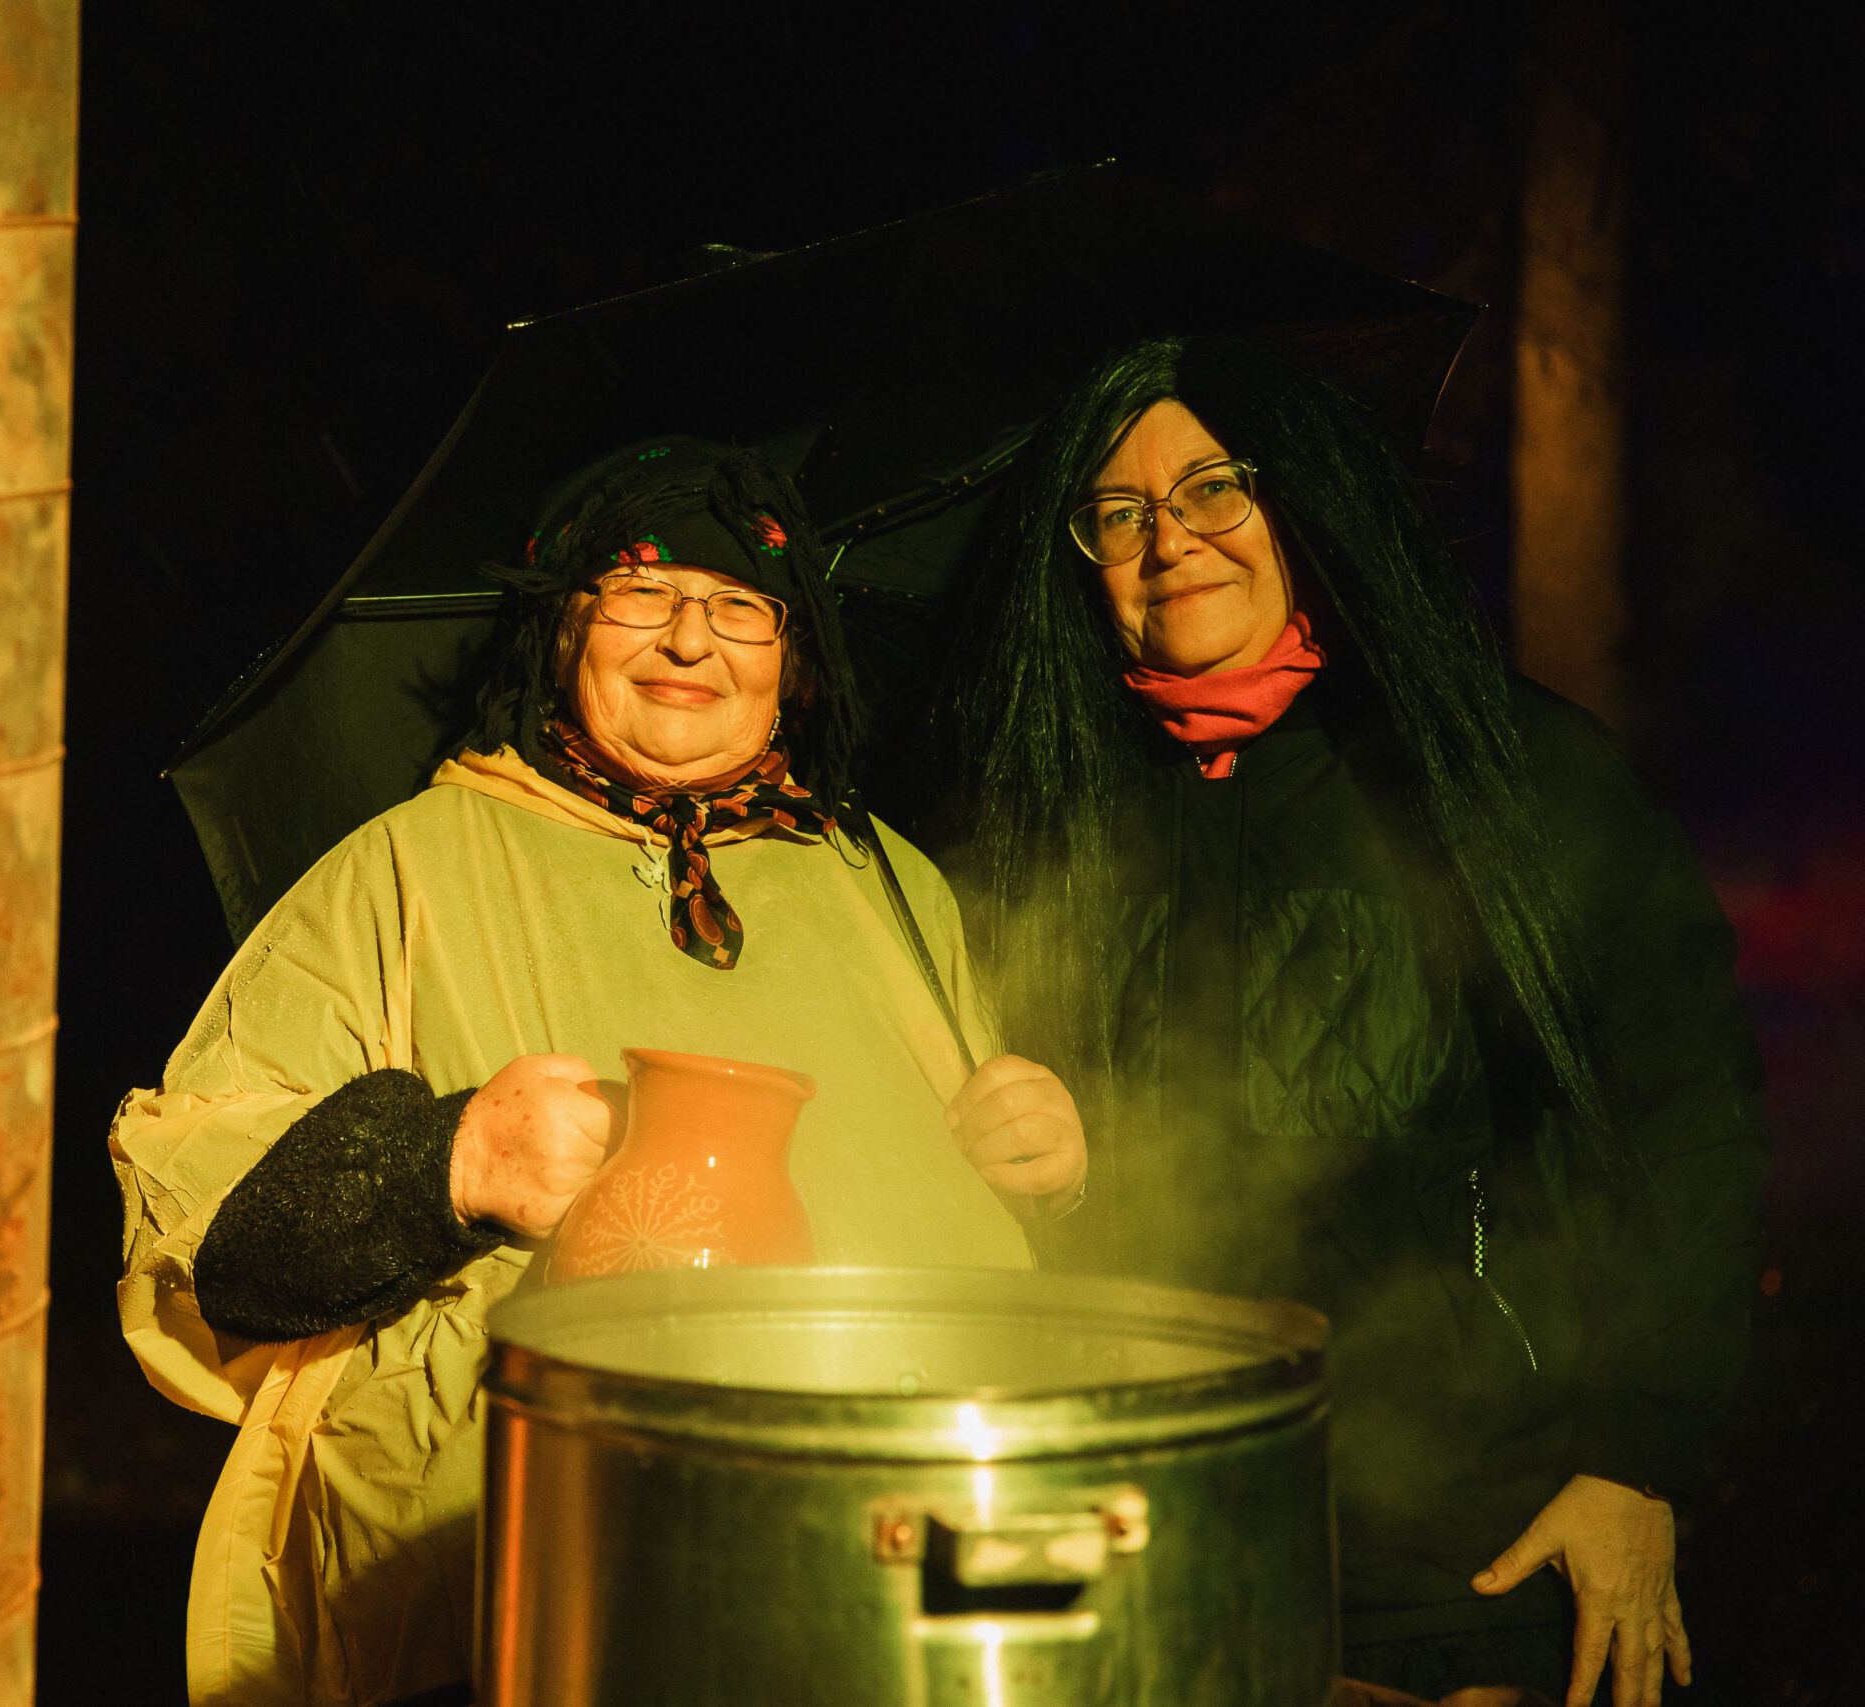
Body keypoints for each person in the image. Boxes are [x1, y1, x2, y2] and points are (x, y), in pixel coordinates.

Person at [110, 438, 1087, 1707]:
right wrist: (445, 1161)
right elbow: (202, 1245)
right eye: (640, 590)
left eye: (739, 604)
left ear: (792, 654)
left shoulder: (885, 881)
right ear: (562, 625)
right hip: (524, 1575)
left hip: (880, 1571)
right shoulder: (405, 869)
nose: (689, 639)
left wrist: (1047, 1173)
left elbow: (1000, 1233)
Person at [939, 336, 1766, 1707]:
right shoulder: (1039, 814)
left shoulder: (1498, 773)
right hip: (1138, 1530)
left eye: (1214, 487)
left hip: (1470, 1549)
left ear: (1303, 497)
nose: (1170, 542)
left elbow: (1692, 1124)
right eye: (1119, 511)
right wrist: (1056, 1175)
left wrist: (1634, 1459)